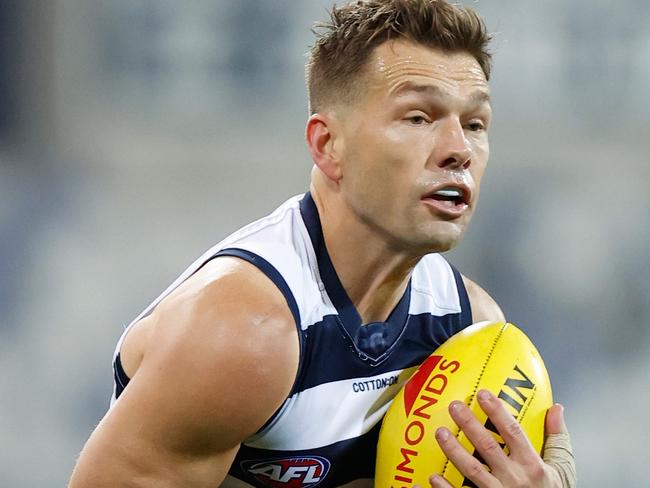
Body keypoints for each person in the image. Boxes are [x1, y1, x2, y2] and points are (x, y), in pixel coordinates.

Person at [69, 1, 576, 487]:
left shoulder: (470, 330)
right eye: (418, 118)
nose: (458, 151)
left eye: (475, 124)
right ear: (327, 145)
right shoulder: (246, 332)